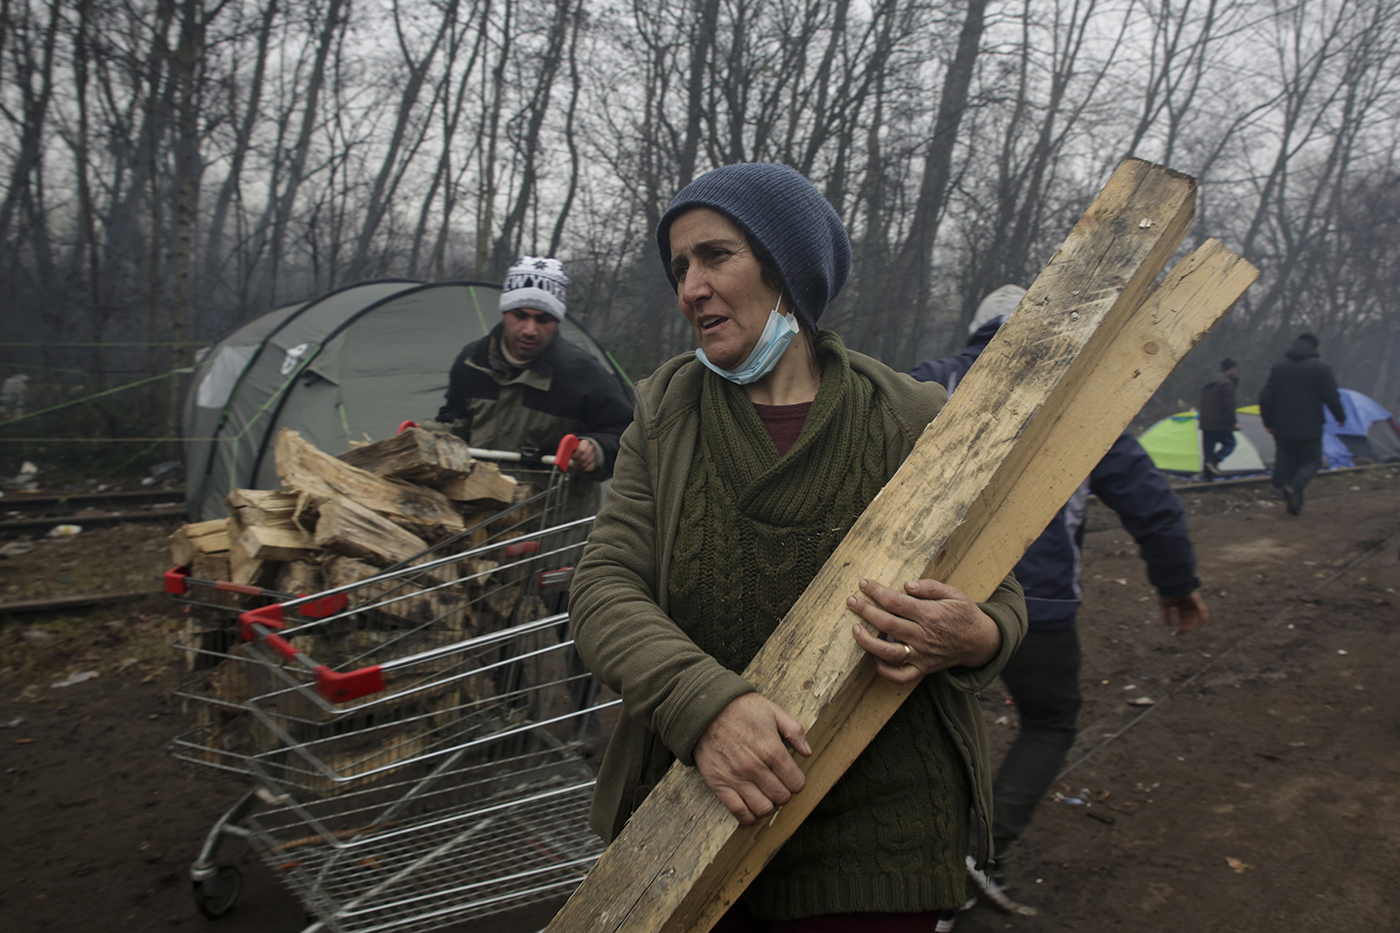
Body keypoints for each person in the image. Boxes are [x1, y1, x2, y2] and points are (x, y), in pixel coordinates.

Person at [569, 163, 1028, 932]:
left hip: (878, 842)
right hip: (696, 813)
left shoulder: (907, 413)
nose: (690, 287)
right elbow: (605, 585)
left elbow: (1001, 599)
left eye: (715, 256)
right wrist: (703, 707)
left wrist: (973, 633)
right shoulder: (666, 409)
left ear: (788, 269)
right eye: (680, 267)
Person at [911, 287, 1209, 921]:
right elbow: (1148, 499)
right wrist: (1176, 583)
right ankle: (977, 856)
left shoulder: (932, 380)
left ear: (978, 329)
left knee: (917, 725)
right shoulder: (1083, 401)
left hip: (929, 597)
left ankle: (906, 861)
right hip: (1037, 604)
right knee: (1049, 720)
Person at [432, 255, 634, 514]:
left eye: (543, 319)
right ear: (505, 312)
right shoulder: (472, 362)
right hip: (476, 515)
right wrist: (427, 433)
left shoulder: (584, 374)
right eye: (520, 315)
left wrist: (596, 449)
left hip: (550, 527)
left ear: (558, 321)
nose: (530, 329)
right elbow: (455, 419)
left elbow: (628, 435)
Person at [1258, 332, 1345, 515]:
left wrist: (1269, 421)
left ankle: (1294, 506)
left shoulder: (1279, 368)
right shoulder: (1321, 368)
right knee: (1312, 461)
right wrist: (1340, 417)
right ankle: (1294, 489)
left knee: (1289, 463)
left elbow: (1265, 397)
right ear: (1315, 347)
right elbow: (1331, 396)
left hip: (1282, 426)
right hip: (1310, 426)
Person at [1198, 358, 1240, 479]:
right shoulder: (1227, 383)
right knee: (1230, 444)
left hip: (1206, 422)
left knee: (1208, 450)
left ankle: (1207, 478)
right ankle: (1214, 462)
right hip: (1220, 423)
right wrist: (1233, 423)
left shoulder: (1209, 382)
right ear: (1232, 369)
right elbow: (1228, 405)